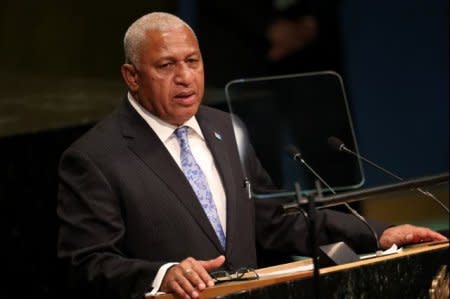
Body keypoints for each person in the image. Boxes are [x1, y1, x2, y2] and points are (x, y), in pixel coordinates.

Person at [56, 12, 447, 299]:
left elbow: (273, 222)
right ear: (132, 76)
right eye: (166, 66)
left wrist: (376, 235)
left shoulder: (226, 128)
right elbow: (87, 264)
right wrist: (163, 274)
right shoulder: (95, 158)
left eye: (193, 61)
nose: (185, 77)